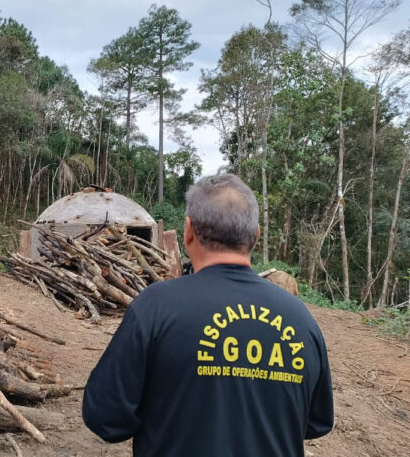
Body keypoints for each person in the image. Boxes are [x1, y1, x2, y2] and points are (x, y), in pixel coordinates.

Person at [82, 174, 333, 456]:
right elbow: (317, 422)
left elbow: (105, 418)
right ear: (256, 235)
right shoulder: (300, 318)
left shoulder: (155, 307)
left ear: (188, 231)